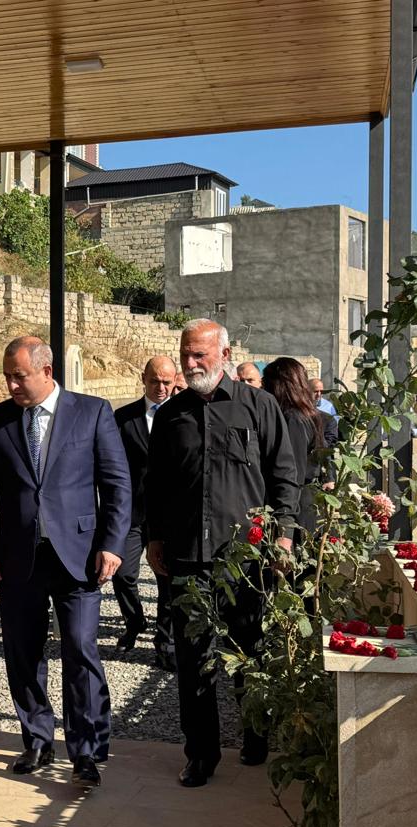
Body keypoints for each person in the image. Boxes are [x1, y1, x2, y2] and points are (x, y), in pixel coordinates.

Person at [0, 336, 131, 786]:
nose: (11, 385)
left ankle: (87, 750)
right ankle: (37, 739)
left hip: (79, 556)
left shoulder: (91, 412)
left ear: (46, 371)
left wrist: (113, 544)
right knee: (22, 651)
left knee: (80, 647)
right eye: (7, 376)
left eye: (19, 376)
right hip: (17, 555)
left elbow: (117, 484)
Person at [146, 319, 299, 788]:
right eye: (185, 355)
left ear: (225, 355)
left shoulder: (260, 406)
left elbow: (284, 474)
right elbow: (156, 483)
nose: (191, 364)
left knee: (247, 651)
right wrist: (154, 537)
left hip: (245, 559)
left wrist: (284, 535)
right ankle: (200, 754)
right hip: (188, 556)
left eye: (200, 355)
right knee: (193, 657)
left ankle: (254, 737)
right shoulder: (171, 415)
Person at [111, 356, 177, 671]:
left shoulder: (184, 414)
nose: (161, 387)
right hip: (133, 511)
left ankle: (165, 644)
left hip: (170, 513)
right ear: (143, 379)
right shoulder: (123, 418)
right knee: (122, 574)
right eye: (155, 381)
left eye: (166, 382)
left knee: (167, 581)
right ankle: (134, 620)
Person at [264, 359, 338, 535]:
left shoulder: (293, 419)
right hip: (296, 502)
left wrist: (285, 522)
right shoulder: (298, 415)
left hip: (294, 505)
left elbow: (293, 471)